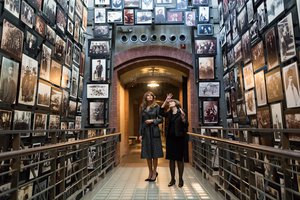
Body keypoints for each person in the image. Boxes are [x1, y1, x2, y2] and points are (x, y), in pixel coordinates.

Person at [160, 93, 188, 187]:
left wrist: (184, 119)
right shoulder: (169, 113)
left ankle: (180, 179)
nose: (170, 103)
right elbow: (160, 112)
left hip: (179, 139)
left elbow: (186, 125)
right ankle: (172, 179)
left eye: (171, 101)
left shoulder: (182, 112)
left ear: (176, 103)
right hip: (170, 139)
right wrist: (165, 101)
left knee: (180, 160)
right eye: (169, 102)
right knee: (171, 160)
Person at [139, 91, 163, 182]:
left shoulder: (157, 107)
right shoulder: (143, 107)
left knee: (155, 154)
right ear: (145, 97)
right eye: (147, 95)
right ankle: (150, 172)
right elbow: (141, 122)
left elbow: (161, 119)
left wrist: (152, 121)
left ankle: (154, 172)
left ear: (153, 97)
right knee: (147, 154)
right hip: (145, 132)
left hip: (154, 132)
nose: (149, 96)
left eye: (151, 95)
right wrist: (140, 134)